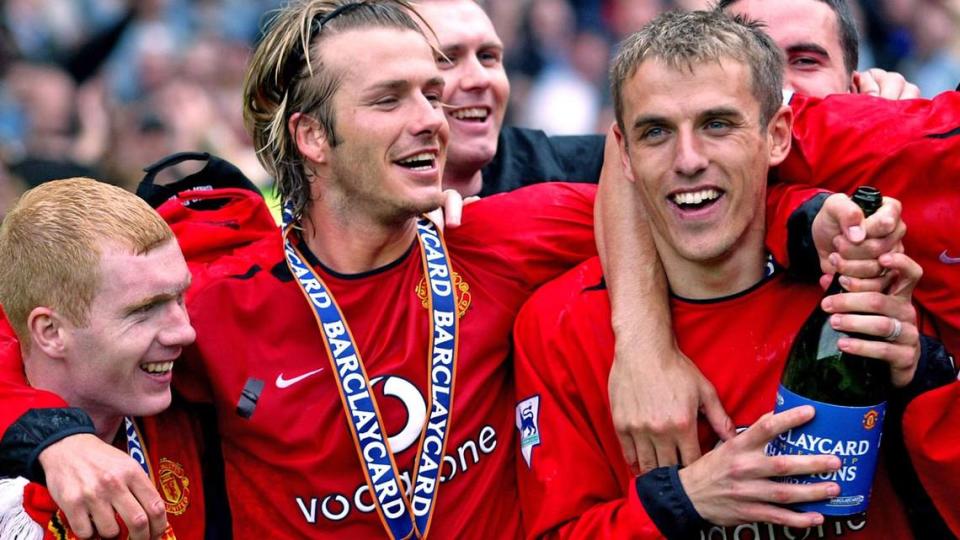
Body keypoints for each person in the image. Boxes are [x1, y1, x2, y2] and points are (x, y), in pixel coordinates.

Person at [513, 10, 957, 538]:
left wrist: (925, 375)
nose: (688, 158)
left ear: (779, 136)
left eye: (717, 124)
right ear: (623, 152)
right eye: (655, 132)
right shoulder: (558, 321)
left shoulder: (871, 289)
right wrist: (684, 501)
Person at [599, 0, 960, 476]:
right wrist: (643, 348)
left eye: (806, 60)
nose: (778, 83)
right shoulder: (893, 141)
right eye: (750, 55)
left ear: (858, 88)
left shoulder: (910, 139)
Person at [0, 178, 203, 539]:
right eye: (144, 310)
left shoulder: (199, 400)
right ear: (50, 331)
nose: (184, 332)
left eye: (180, 298)